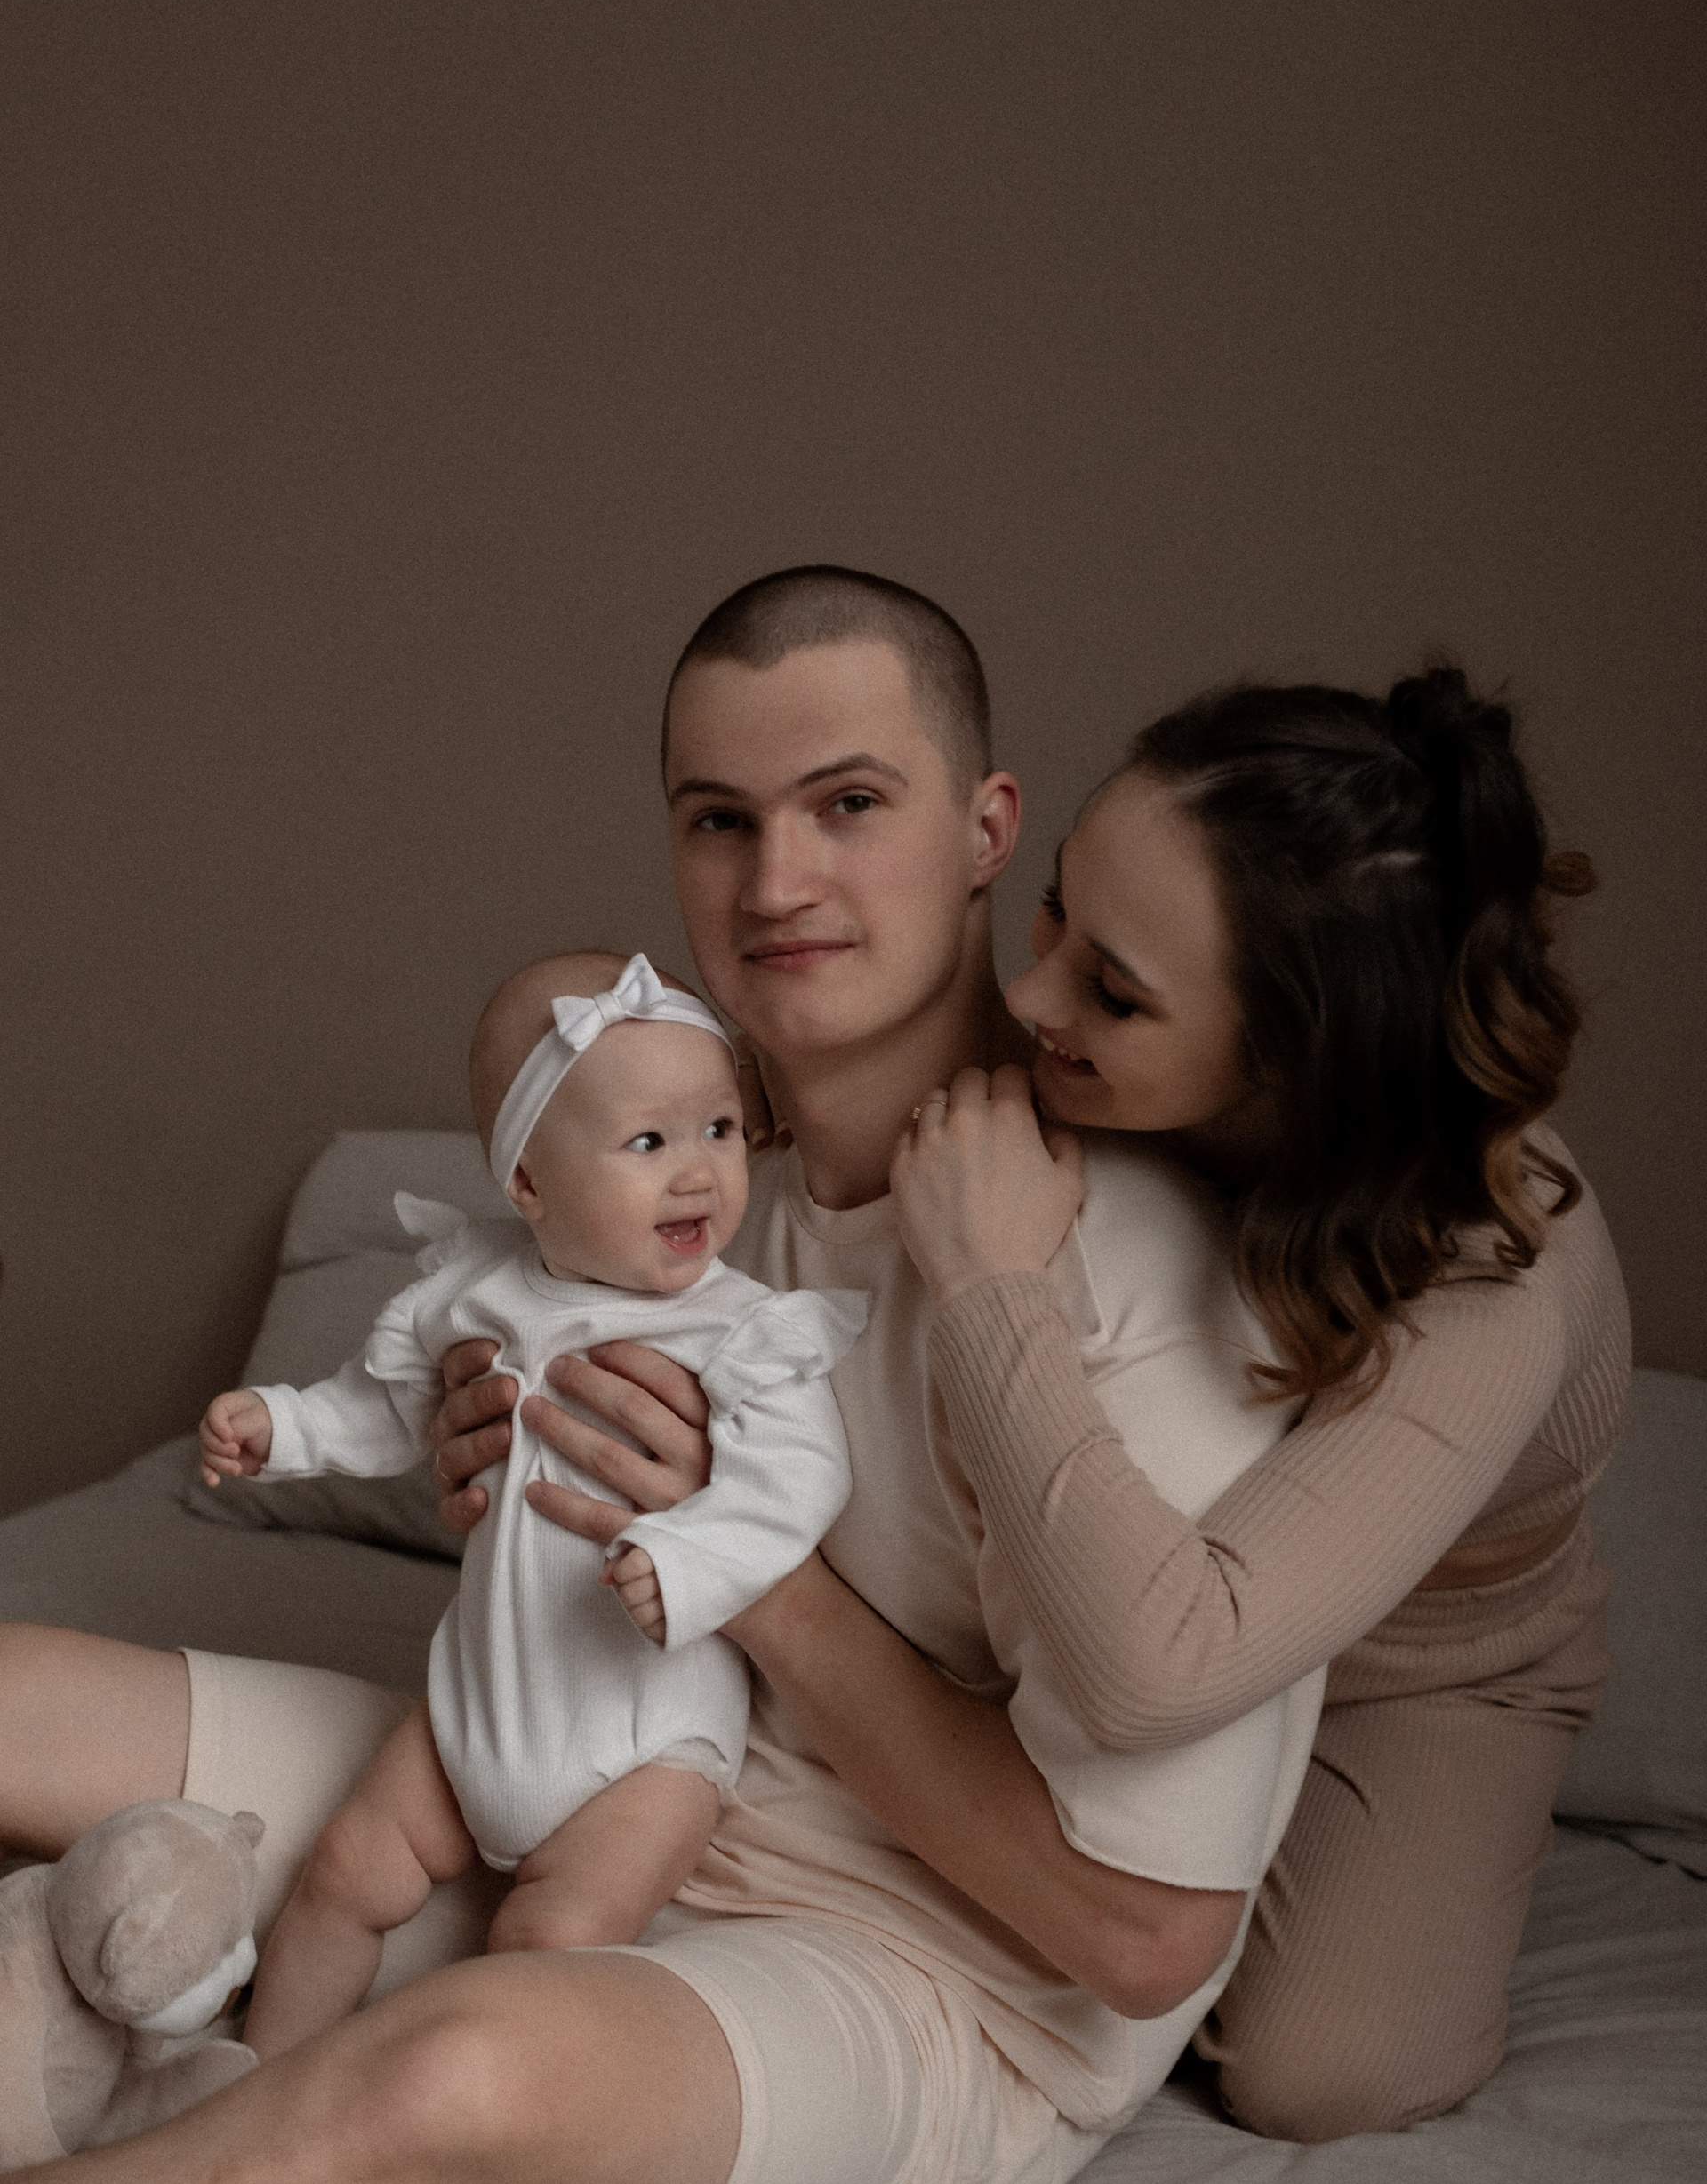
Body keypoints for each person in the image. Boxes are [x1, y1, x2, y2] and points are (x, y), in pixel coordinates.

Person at [1, 566, 1324, 2184]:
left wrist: (746, 1567)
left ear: (989, 831)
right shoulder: (678, 1174)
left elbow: (1145, 1937)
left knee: (443, 2075)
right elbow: (486, 1400)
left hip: (913, 1973)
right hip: (570, 1780)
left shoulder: (1142, 1283)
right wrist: (481, 1442)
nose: (777, 881)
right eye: (719, 820)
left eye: (849, 803)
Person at [886, 672, 1631, 2140]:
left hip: (1408, 1664)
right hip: (1112, 1547)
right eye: (1055, 909)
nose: (1030, 1000)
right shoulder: (1101, 1054)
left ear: (1298, 1057)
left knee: (1321, 2073)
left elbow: (1163, 1667)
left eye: (1114, 994)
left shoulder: (1498, 1268)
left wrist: (990, 1284)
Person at [199, 949, 863, 2059]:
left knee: (546, 1938)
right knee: (347, 1868)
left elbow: (799, 1477)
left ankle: (453, 2115)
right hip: (480, 1697)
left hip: (649, 1736)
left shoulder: (741, 1328)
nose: (698, 1172)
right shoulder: (477, 1289)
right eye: (648, 1142)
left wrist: (692, 1559)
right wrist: (281, 1426)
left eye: (717, 1129)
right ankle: (250, 2076)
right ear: (529, 1185)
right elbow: (385, 1406)